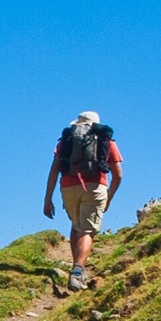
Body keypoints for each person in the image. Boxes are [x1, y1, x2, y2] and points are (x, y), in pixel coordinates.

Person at [43, 110, 123, 291]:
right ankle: (78, 272)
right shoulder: (106, 140)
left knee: (76, 225)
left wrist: (48, 199)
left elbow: (54, 170)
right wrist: (109, 196)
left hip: (68, 188)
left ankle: (77, 267)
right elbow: (118, 175)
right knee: (87, 231)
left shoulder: (65, 141)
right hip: (95, 187)